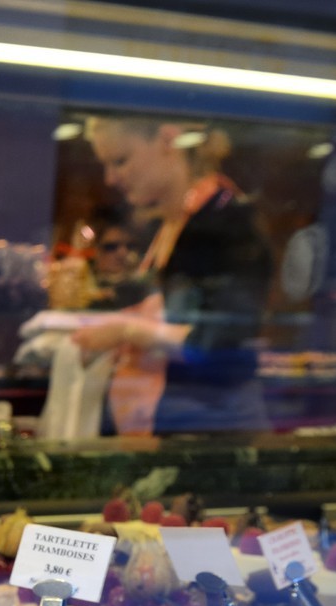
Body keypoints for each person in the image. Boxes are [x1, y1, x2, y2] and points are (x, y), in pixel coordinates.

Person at [72, 117, 271, 434]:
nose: (110, 179)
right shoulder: (167, 225)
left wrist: (126, 331)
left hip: (211, 433)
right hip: (165, 427)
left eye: (121, 160)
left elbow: (213, 345)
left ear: (167, 140)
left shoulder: (226, 225)